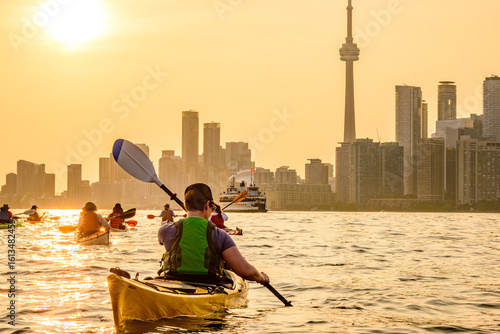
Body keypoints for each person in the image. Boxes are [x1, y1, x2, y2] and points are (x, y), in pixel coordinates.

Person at [157, 183, 269, 284]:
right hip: (208, 283)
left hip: (174, 281)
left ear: (186, 206)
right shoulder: (220, 235)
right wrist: (260, 277)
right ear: (207, 205)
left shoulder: (165, 231)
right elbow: (246, 271)